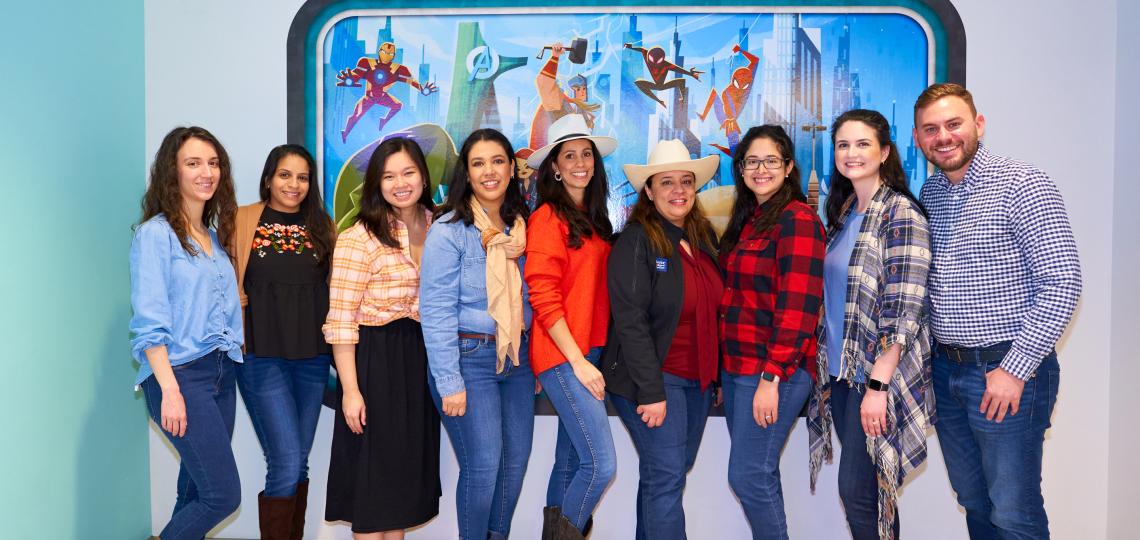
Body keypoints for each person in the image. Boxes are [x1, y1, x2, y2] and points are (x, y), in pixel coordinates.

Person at [913, 83, 1081, 539]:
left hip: (1007, 373)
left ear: (978, 124)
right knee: (974, 503)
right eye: (931, 129)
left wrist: (1015, 370)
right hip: (948, 374)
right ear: (918, 139)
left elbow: (1062, 282)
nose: (943, 137)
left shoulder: (1024, 183)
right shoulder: (930, 194)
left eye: (953, 124)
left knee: (1014, 512)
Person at [805, 109, 933, 540]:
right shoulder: (842, 213)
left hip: (876, 379)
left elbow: (904, 307)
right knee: (871, 497)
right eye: (843, 145)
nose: (851, 153)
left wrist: (877, 386)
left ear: (885, 151)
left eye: (863, 144)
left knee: (857, 492)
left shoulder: (900, 213)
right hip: (842, 377)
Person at [323, 137, 441, 539]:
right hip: (373, 363)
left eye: (408, 172)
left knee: (401, 492)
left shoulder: (437, 225)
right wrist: (350, 392)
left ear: (424, 176)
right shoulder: (359, 236)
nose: (400, 183)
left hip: (418, 362)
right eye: (389, 176)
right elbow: (340, 320)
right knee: (372, 493)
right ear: (377, 183)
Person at [420, 129, 535, 540]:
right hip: (468, 360)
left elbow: (531, 297)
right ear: (466, 174)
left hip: (516, 360)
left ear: (511, 168)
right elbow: (435, 311)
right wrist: (450, 382)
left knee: (515, 463)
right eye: (478, 163)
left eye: (498, 161)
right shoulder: (449, 230)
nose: (490, 171)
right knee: (483, 466)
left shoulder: (523, 227)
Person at [605, 139, 723, 539]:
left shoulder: (703, 240)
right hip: (656, 381)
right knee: (668, 478)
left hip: (697, 383)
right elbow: (630, 322)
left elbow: (713, 314)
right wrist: (651, 391)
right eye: (667, 182)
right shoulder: (635, 241)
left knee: (664, 475)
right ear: (649, 191)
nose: (678, 190)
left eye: (686, 182)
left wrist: (716, 377)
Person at [129, 126, 242, 540]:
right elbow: (149, 322)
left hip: (220, 374)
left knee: (195, 491)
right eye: (193, 163)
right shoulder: (156, 235)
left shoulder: (210, 236)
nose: (206, 172)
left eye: (213, 163)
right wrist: (171, 391)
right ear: (171, 172)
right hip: (180, 377)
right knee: (223, 496)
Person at [718, 125, 826, 540]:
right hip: (741, 367)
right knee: (759, 474)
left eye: (771, 161)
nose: (760, 169)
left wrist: (771, 377)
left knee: (746, 476)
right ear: (741, 168)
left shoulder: (797, 219)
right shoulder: (751, 220)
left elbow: (798, 309)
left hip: (773, 369)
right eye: (751, 161)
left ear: (789, 167)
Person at [227, 144, 335, 539]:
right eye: (285, 175)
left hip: (312, 358)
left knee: (296, 462)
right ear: (269, 178)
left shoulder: (324, 225)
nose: (294, 184)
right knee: (287, 460)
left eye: (302, 177)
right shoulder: (240, 220)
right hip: (260, 356)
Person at [523, 113, 618, 538]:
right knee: (600, 464)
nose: (580, 162)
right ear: (555, 167)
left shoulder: (594, 219)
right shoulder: (547, 217)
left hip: (587, 352)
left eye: (586, 154)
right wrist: (577, 361)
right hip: (564, 355)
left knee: (570, 461)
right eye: (569, 155)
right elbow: (542, 296)